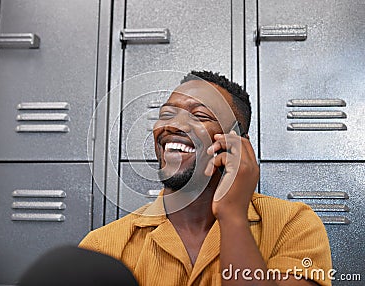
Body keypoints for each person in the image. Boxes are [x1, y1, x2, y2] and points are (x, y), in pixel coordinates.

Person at [79, 70, 332, 286]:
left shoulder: (293, 225)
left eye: (200, 116)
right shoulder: (103, 245)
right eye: (167, 114)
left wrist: (233, 216)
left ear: (238, 144)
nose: (174, 125)